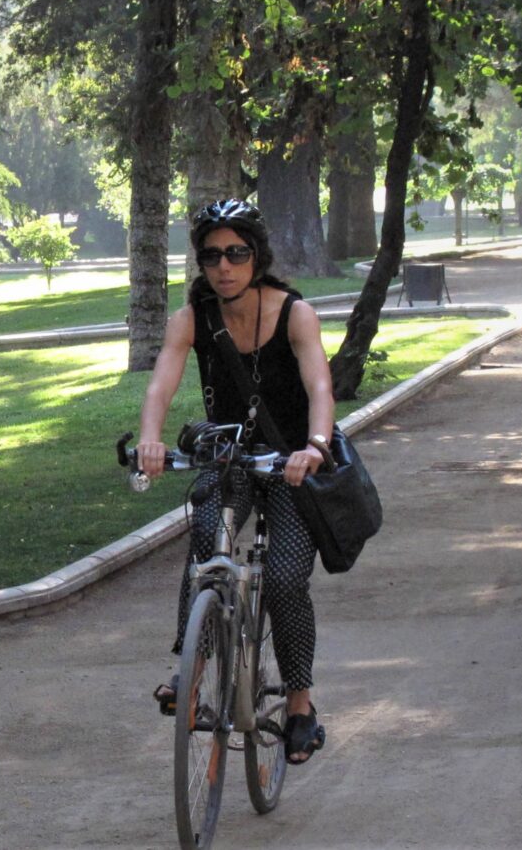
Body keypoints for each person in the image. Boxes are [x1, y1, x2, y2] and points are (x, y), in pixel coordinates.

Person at [136, 199, 336, 764]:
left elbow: (321, 388)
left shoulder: (294, 313)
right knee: (205, 533)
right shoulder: (193, 317)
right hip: (230, 457)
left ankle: (299, 705)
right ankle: (190, 671)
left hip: (292, 460)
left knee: (285, 579)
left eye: (237, 253)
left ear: (257, 256)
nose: (224, 266)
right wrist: (150, 441)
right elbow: (160, 387)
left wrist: (314, 448)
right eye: (211, 256)